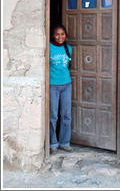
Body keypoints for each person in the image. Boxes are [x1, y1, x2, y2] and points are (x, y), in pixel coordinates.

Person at [49, 24, 73, 154]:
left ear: (65, 35)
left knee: (66, 115)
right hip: (53, 85)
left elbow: (67, 65)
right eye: (57, 34)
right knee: (53, 115)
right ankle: (53, 143)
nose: (60, 37)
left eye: (62, 34)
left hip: (66, 85)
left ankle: (65, 142)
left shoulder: (68, 48)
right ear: (53, 35)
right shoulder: (48, 48)